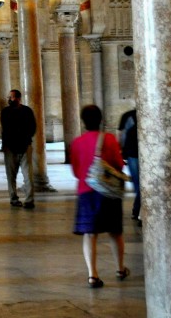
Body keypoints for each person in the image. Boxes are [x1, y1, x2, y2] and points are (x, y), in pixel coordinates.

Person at [70, 104, 128, 288]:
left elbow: (76, 171)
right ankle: (120, 268)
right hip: (108, 192)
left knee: (89, 234)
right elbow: (119, 165)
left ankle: (92, 274)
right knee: (115, 232)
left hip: (86, 192)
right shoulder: (109, 139)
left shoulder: (77, 143)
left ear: (83, 122)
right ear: (101, 120)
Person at [1, 88, 37, 209]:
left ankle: (29, 200)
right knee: (11, 175)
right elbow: (5, 129)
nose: (9, 99)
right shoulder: (6, 111)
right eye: (9, 97)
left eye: (11, 97)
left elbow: (33, 127)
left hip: (24, 146)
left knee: (28, 175)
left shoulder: (26, 111)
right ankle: (13, 198)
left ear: (18, 98)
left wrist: (25, 138)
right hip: (11, 148)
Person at [117, 107, 140, 223]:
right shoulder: (128, 115)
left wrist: (121, 151)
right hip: (133, 154)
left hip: (132, 154)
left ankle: (139, 211)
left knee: (138, 184)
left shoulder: (127, 115)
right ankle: (139, 211)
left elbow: (121, 135)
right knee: (140, 185)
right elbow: (121, 135)